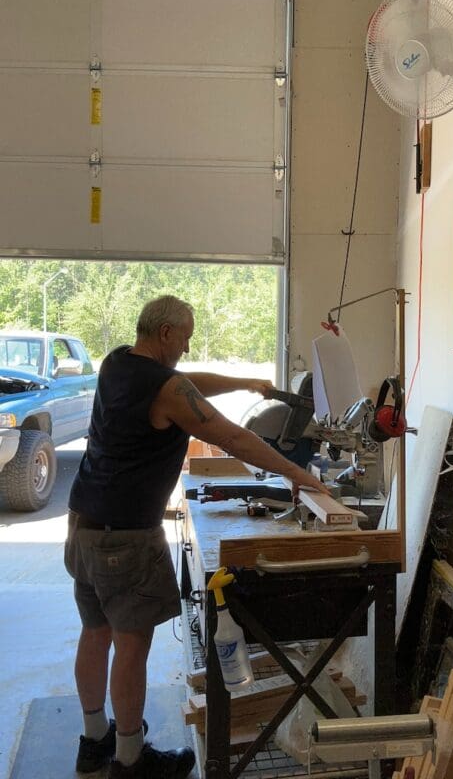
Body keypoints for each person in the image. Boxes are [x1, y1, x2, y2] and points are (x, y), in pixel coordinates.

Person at [65, 295, 327, 778]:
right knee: (131, 645)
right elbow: (231, 437)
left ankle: (94, 739)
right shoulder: (165, 387)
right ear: (166, 333)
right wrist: (295, 474)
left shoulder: (119, 363)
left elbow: (186, 385)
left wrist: (244, 382)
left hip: (83, 522)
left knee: (95, 632)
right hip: (125, 538)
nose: (186, 347)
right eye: (184, 338)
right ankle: (129, 759)